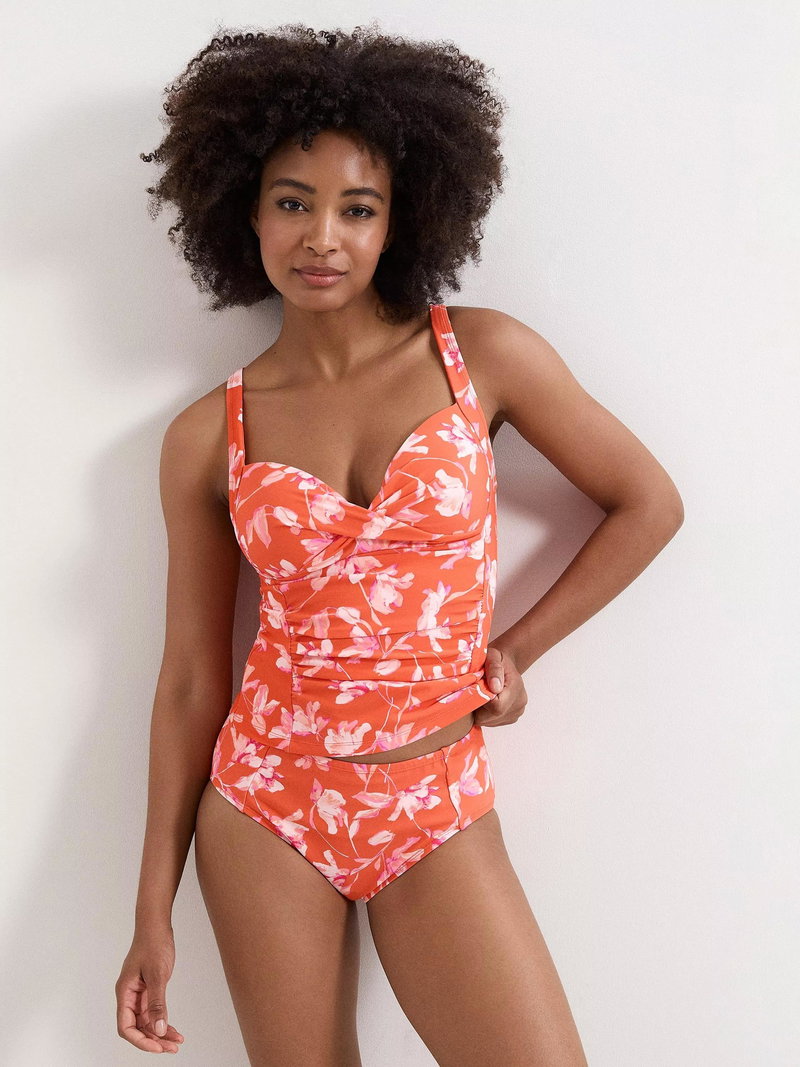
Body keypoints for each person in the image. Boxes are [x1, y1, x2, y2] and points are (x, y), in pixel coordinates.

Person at [116, 22, 683, 1064]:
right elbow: (193, 678)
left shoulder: (482, 356)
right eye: (292, 202)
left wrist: (512, 651)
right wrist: (153, 908)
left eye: (357, 207)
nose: (321, 237)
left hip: (433, 798)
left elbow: (646, 502)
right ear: (245, 210)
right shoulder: (207, 435)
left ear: (399, 219)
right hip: (265, 805)